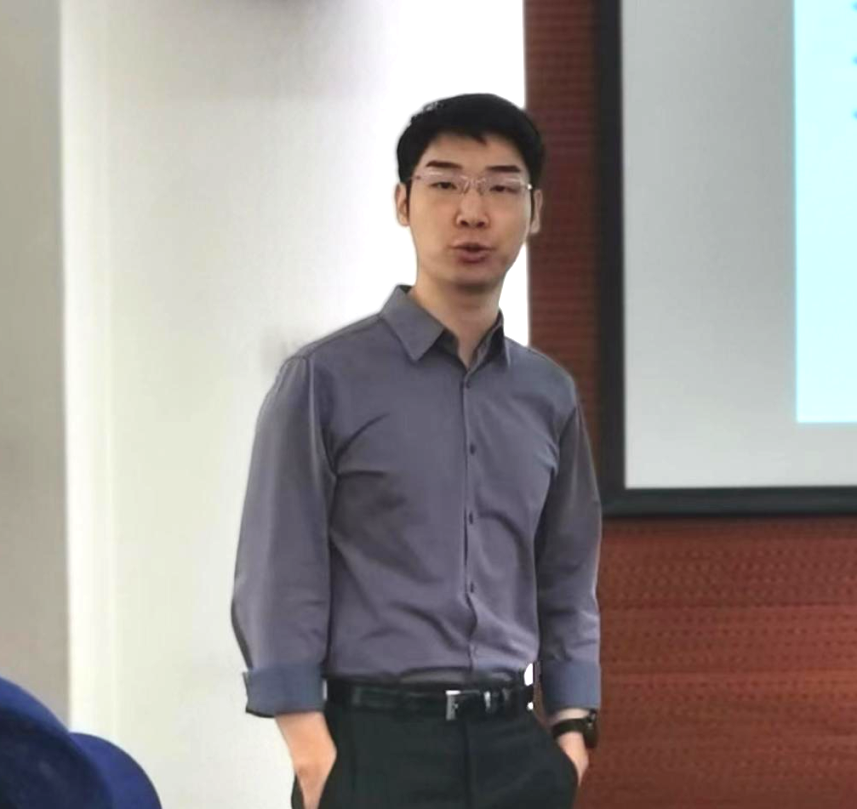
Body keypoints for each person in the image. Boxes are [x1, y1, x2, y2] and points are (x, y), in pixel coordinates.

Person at [232, 93, 602, 809]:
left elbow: (567, 577)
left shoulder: (548, 395)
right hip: (372, 749)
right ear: (403, 203)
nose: (472, 211)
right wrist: (314, 759)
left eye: (501, 188)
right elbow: (278, 575)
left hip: (514, 748)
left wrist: (571, 732)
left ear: (535, 211)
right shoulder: (324, 379)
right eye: (445, 183)